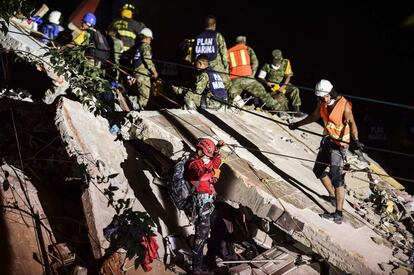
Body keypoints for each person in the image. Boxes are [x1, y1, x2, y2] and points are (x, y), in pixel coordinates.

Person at [288, 79, 364, 224]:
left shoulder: (344, 105)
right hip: (328, 141)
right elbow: (314, 116)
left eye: (326, 96)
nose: (324, 99)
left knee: (337, 178)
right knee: (318, 170)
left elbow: (352, 122)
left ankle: (339, 214)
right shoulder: (321, 103)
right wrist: (297, 124)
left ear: (331, 93)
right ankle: (332, 196)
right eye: (322, 97)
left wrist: (356, 140)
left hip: (340, 146)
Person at [185, 138, 224, 274]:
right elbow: (201, 176)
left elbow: (216, 162)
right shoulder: (193, 164)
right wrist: (213, 173)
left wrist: (218, 150)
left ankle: (210, 259)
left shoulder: (207, 161)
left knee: (220, 228)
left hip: (209, 202)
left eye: (200, 149)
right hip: (200, 205)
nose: (197, 150)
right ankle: (196, 269)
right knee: (201, 237)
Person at [227, 36, 287, 110]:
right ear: (244, 42)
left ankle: (233, 106)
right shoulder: (247, 48)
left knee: (231, 97)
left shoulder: (228, 51)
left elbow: (225, 67)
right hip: (248, 78)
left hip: (234, 79)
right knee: (263, 94)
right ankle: (279, 109)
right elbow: (255, 62)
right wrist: (252, 74)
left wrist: (229, 80)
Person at [258, 49, 302, 114]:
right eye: (276, 61)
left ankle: (297, 110)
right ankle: (282, 112)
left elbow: (288, 76)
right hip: (272, 87)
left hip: (283, 84)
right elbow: (261, 77)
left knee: (295, 89)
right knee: (280, 97)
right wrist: (267, 83)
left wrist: (284, 86)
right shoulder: (266, 65)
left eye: (279, 61)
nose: (278, 63)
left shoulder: (286, 62)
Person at [194, 15, 231, 89]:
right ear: (214, 25)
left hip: (201, 68)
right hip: (216, 68)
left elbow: (193, 55)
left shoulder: (198, 37)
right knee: (228, 86)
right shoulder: (217, 35)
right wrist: (226, 70)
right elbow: (224, 54)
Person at [129, 27, 158, 110]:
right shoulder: (146, 46)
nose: (150, 41)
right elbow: (148, 60)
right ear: (147, 37)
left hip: (136, 72)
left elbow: (132, 61)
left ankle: (135, 104)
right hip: (143, 74)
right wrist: (154, 72)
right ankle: (139, 111)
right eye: (150, 39)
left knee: (140, 93)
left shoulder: (137, 47)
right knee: (144, 96)